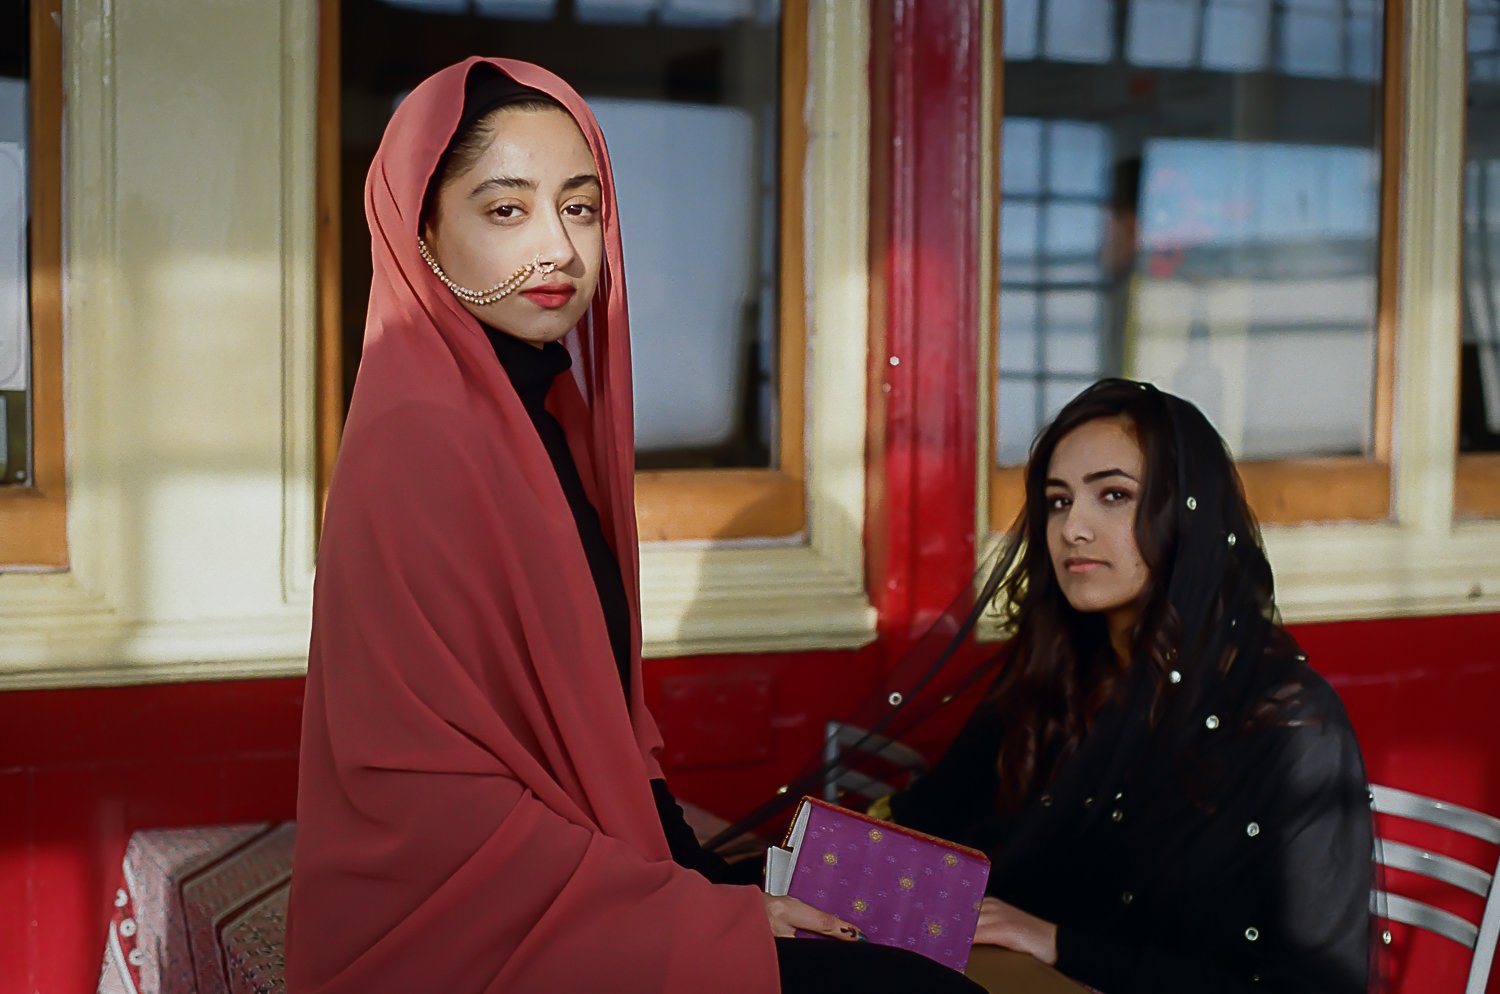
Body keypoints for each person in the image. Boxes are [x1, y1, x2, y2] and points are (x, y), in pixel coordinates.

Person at [286, 57, 983, 994]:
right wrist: (700, 911)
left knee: (892, 945)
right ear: (422, 232)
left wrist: (694, 875)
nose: (560, 251)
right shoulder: (425, 434)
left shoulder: (530, 415)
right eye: (506, 210)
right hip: (463, 916)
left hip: (560, 873)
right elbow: (432, 791)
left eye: (579, 208)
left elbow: (588, 711)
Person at [869, 379, 1379, 993]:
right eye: (1057, 501)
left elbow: (1311, 987)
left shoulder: (1288, 724)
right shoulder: (1057, 675)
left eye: (1113, 495)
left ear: (1187, 514)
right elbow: (934, 821)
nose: (1072, 528)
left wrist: (1060, 943)